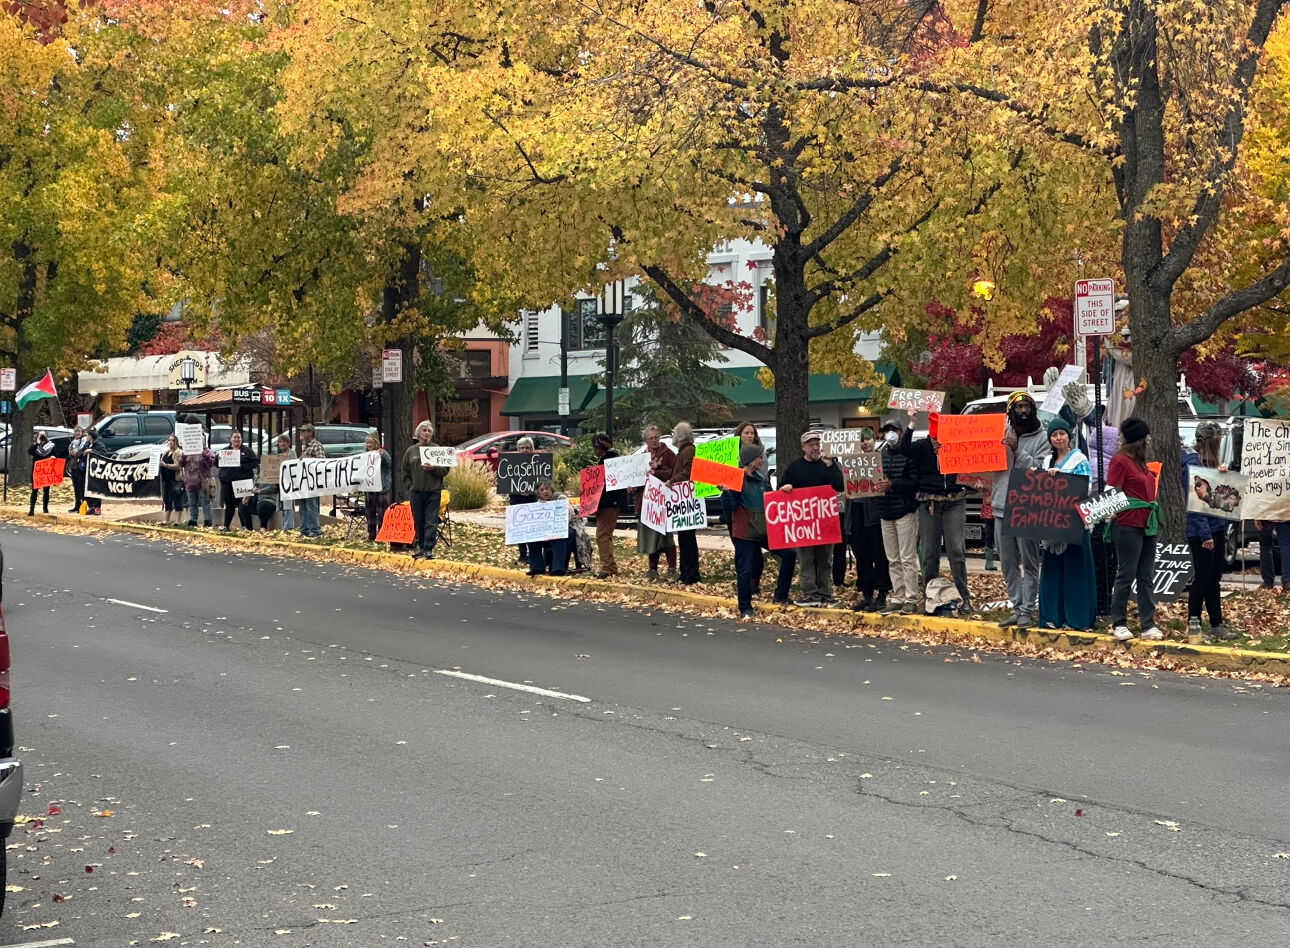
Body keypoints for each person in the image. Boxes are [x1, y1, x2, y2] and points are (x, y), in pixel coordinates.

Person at [899, 407, 972, 614]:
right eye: (935, 434)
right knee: (930, 552)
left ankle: (964, 597)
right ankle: (931, 597)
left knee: (956, 550)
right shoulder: (922, 447)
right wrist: (912, 423)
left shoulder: (957, 446)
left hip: (954, 501)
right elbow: (904, 449)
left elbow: (974, 461)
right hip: (929, 503)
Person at [994, 392, 1049, 630]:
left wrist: (1018, 451)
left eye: (1028, 407)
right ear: (1011, 410)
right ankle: (1017, 608)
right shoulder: (999, 433)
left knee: (1030, 563)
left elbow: (1041, 469)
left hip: (1027, 507)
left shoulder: (1044, 437)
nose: (1024, 411)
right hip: (1000, 505)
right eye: (1019, 407)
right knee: (1007, 562)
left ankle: (1027, 610)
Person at [1036, 418, 1097, 630]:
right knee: (1052, 572)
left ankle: (1077, 618)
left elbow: (1085, 487)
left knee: (1075, 571)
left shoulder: (1079, 460)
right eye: (1054, 435)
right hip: (1053, 525)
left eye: (1062, 434)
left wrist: (1062, 478)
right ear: (1050, 439)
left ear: (1069, 437)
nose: (1058, 438)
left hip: (1074, 524)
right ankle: (1052, 616)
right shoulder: (1046, 462)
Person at [1108, 417, 1161, 641]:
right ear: (1139, 439)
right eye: (1146, 436)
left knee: (1146, 575)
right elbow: (1112, 490)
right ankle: (1118, 622)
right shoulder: (1120, 461)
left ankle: (1148, 624)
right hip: (1128, 524)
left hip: (1147, 523)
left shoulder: (1141, 463)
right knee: (1126, 574)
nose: (1149, 440)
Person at [779, 430, 845, 607]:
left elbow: (840, 485)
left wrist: (830, 465)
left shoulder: (828, 465)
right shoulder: (795, 468)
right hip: (805, 524)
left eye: (817, 444)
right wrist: (786, 488)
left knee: (825, 559)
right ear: (803, 447)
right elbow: (781, 489)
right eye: (811, 445)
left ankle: (825, 592)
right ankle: (810, 593)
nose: (815, 447)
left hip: (825, 521)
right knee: (807, 558)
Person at [1183, 421, 1232, 640]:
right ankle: (1193, 623)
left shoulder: (1210, 464)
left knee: (1213, 577)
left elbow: (1219, 497)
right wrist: (1205, 535)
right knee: (1203, 577)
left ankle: (1217, 622)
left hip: (1216, 527)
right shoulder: (1194, 465)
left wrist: (1223, 476)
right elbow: (1196, 503)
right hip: (1203, 531)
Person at [842, 429, 892, 611]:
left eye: (868, 439)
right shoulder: (851, 462)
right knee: (861, 555)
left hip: (875, 513)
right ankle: (867, 594)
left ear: (874, 440)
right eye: (862, 440)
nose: (865, 443)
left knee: (878, 554)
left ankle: (882, 593)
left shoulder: (881, 459)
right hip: (856, 512)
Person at [874, 420, 920, 614]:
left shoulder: (909, 456)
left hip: (905, 512)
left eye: (893, 430)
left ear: (901, 433)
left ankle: (911, 598)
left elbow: (915, 483)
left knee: (907, 558)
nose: (890, 434)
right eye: (886, 431)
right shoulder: (881, 456)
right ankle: (898, 596)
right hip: (886, 512)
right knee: (892, 559)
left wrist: (892, 484)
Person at [727, 442, 770, 618]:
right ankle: (745, 606)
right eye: (760, 457)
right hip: (744, 533)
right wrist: (728, 492)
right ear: (751, 461)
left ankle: (781, 595)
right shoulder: (736, 478)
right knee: (745, 569)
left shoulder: (762, 480)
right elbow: (731, 507)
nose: (762, 460)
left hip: (761, 530)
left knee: (789, 554)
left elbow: (771, 501)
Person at [399, 420, 449, 559]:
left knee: (431, 521)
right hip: (416, 493)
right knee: (418, 521)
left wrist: (433, 468)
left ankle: (428, 549)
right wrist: (410, 486)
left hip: (433, 492)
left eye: (429, 431)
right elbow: (404, 471)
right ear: (418, 433)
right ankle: (421, 547)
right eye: (424, 430)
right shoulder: (411, 451)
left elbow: (445, 471)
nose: (426, 433)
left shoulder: (437, 449)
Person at [636, 425, 678, 579]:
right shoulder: (641, 457)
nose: (653, 440)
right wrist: (631, 486)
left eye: (655, 437)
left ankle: (672, 568)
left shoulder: (668, 454)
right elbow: (637, 477)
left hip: (663, 501)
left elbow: (674, 474)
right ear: (645, 440)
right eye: (650, 438)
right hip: (647, 503)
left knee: (666, 537)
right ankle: (652, 569)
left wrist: (657, 470)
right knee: (650, 536)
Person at [667, 421, 702, 585]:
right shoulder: (684, 451)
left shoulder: (688, 451)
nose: (672, 436)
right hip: (683, 502)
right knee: (684, 539)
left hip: (687, 503)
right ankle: (686, 573)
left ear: (680, 437)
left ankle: (691, 574)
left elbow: (689, 472)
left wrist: (673, 480)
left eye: (674, 433)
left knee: (687, 540)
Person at [590, 433, 627, 578]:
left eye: (595, 447)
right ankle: (609, 565)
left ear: (599, 447)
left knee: (602, 536)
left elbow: (604, 485)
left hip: (608, 503)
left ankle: (608, 568)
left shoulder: (608, 461)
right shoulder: (612, 459)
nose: (594, 450)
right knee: (605, 535)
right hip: (610, 503)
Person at [528, 478, 576, 576]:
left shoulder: (560, 498)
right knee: (532, 539)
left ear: (551, 489)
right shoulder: (538, 504)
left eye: (547, 488)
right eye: (542, 490)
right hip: (545, 533)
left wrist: (553, 529)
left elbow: (569, 514)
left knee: (558, 537)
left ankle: (558, 569)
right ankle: (537, 568)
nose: (545, 491)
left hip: (564, 530)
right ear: (539, 493)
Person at [217, 431, 258, 531]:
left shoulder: (247, 451)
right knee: (229, 505)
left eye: (239, 438)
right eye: (234, 437)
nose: (237, 440)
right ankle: (226, 525)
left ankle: (245, 526)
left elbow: (255, 462)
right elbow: (216, 463)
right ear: (231, 439)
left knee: (242, 504)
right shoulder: (225, 451)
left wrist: (243, 466)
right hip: (227, 482)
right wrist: (218, 458)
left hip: (242, 482)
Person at [509, 436, 539, 567]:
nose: (525, 450)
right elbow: (506, 480)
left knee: (531, 527)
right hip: (516, 498)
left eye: (527, 447)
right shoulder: (510, 462)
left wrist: (532, 491)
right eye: (522, 448)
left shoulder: (539, 462)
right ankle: (522, 554)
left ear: (532, 449)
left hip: (532, 498)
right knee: (519, 527)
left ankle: (533, 554)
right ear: (518, 449)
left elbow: (544, 481)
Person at [296, 423, 326, 538]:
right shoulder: (307, 446)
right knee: (303, 506)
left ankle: (315, 530)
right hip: (305, 482)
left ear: (310, 433)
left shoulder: (317, 446)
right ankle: (304, 529)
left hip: (313, 482)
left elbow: (322, 462)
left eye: (303, 431)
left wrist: (308, 458)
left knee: (312, 506)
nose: (301, 433)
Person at [180, 433, 215, 527]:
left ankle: (208, 520)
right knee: (192, 503)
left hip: (203, 481)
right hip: (190, 481)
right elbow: (181, 464)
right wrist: (183, 457)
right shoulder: (188, 452)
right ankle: (193, 520)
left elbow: (211, 463)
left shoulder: (208, 451)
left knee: (205, 502)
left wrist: (204, 455)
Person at [364, 433, 393, 542]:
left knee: (382, 512)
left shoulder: (382, 453)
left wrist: (383, 455)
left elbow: (390, 464)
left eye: (371, 442)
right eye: (367, 443)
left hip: (382, 488)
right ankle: (371, 535)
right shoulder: (364, 455)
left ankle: (382, 534)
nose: (369, 445)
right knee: (370, 512)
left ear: (376, 443)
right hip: (370, 488)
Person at [1256, 518, 1290, 593]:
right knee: (1285, 544)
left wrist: (1256, 517)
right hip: (1284, 513)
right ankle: (1287, 580)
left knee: (1265, 545)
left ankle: (1268, 582)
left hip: (1266, 513)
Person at [27, 432, 56, 515]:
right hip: (37, 471)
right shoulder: (35, 446)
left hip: (46, 472)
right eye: (40, 435)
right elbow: (30, 452)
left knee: (46, 491)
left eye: (43, 434)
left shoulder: (50, 446)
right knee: (34, 490)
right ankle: (31, 509)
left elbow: (55, 455)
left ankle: (45, 508)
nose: (42, 436)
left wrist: (53, 457)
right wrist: (37, 443)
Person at [273, 433, 297, 530]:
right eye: (280, 442)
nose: (282, 443)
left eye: (284, 441)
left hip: (289, 484)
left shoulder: (291, 453)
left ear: (288, 443)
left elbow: (295, 467)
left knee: (288, 505)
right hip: (280, 485)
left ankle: (289, 526)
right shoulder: (278, 456)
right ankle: (284, 525)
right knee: (282, 505)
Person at [159, 434, 184, 524]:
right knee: (167, 500)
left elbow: (178, 466)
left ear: (176, 442)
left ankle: (178, 521)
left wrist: (166, 465)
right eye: (169, 440)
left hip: (175, 479)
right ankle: (166, 520)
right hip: (166, 480)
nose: (171, 442)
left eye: (173, 440)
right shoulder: (166, 452)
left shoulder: (178, 452)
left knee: (177, 499)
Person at [67, 425, 89, 513]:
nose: (77, 433)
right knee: (76, 487)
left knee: (81, 486)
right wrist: (72, 453)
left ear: (82, 432)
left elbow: (82, 450)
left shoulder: (84, 441)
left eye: (79, 431)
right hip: (74, 466)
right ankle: (77, 505)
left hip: (81, 466)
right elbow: (70, 452)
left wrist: (77, 453)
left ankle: (84, 506)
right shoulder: (72, 442)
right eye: (76, 431)